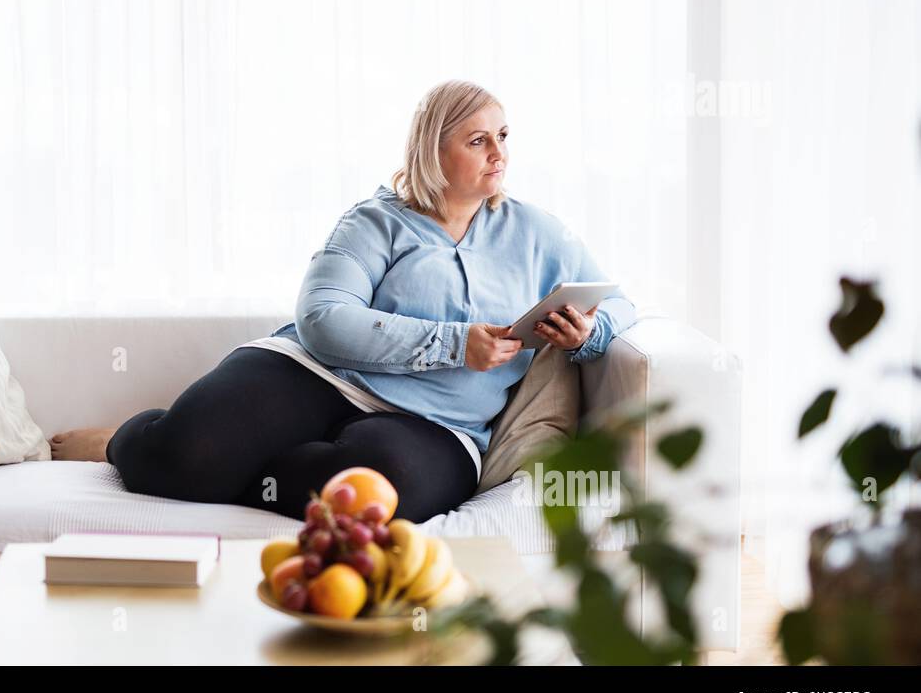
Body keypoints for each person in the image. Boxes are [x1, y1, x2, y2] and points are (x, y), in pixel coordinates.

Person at [51, 79, 637, 523]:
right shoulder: (375, 222)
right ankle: (123, 440)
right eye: (478, 139)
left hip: (434, 424)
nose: (498, 153)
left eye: (503, 136)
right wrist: (456, 344)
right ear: (433, 149)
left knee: (379, 494)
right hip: (317, 375)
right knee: (183, 459)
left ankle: (246, 464)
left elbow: (618, 305)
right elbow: (324, 321)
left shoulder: (537, 232)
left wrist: (590, 337)